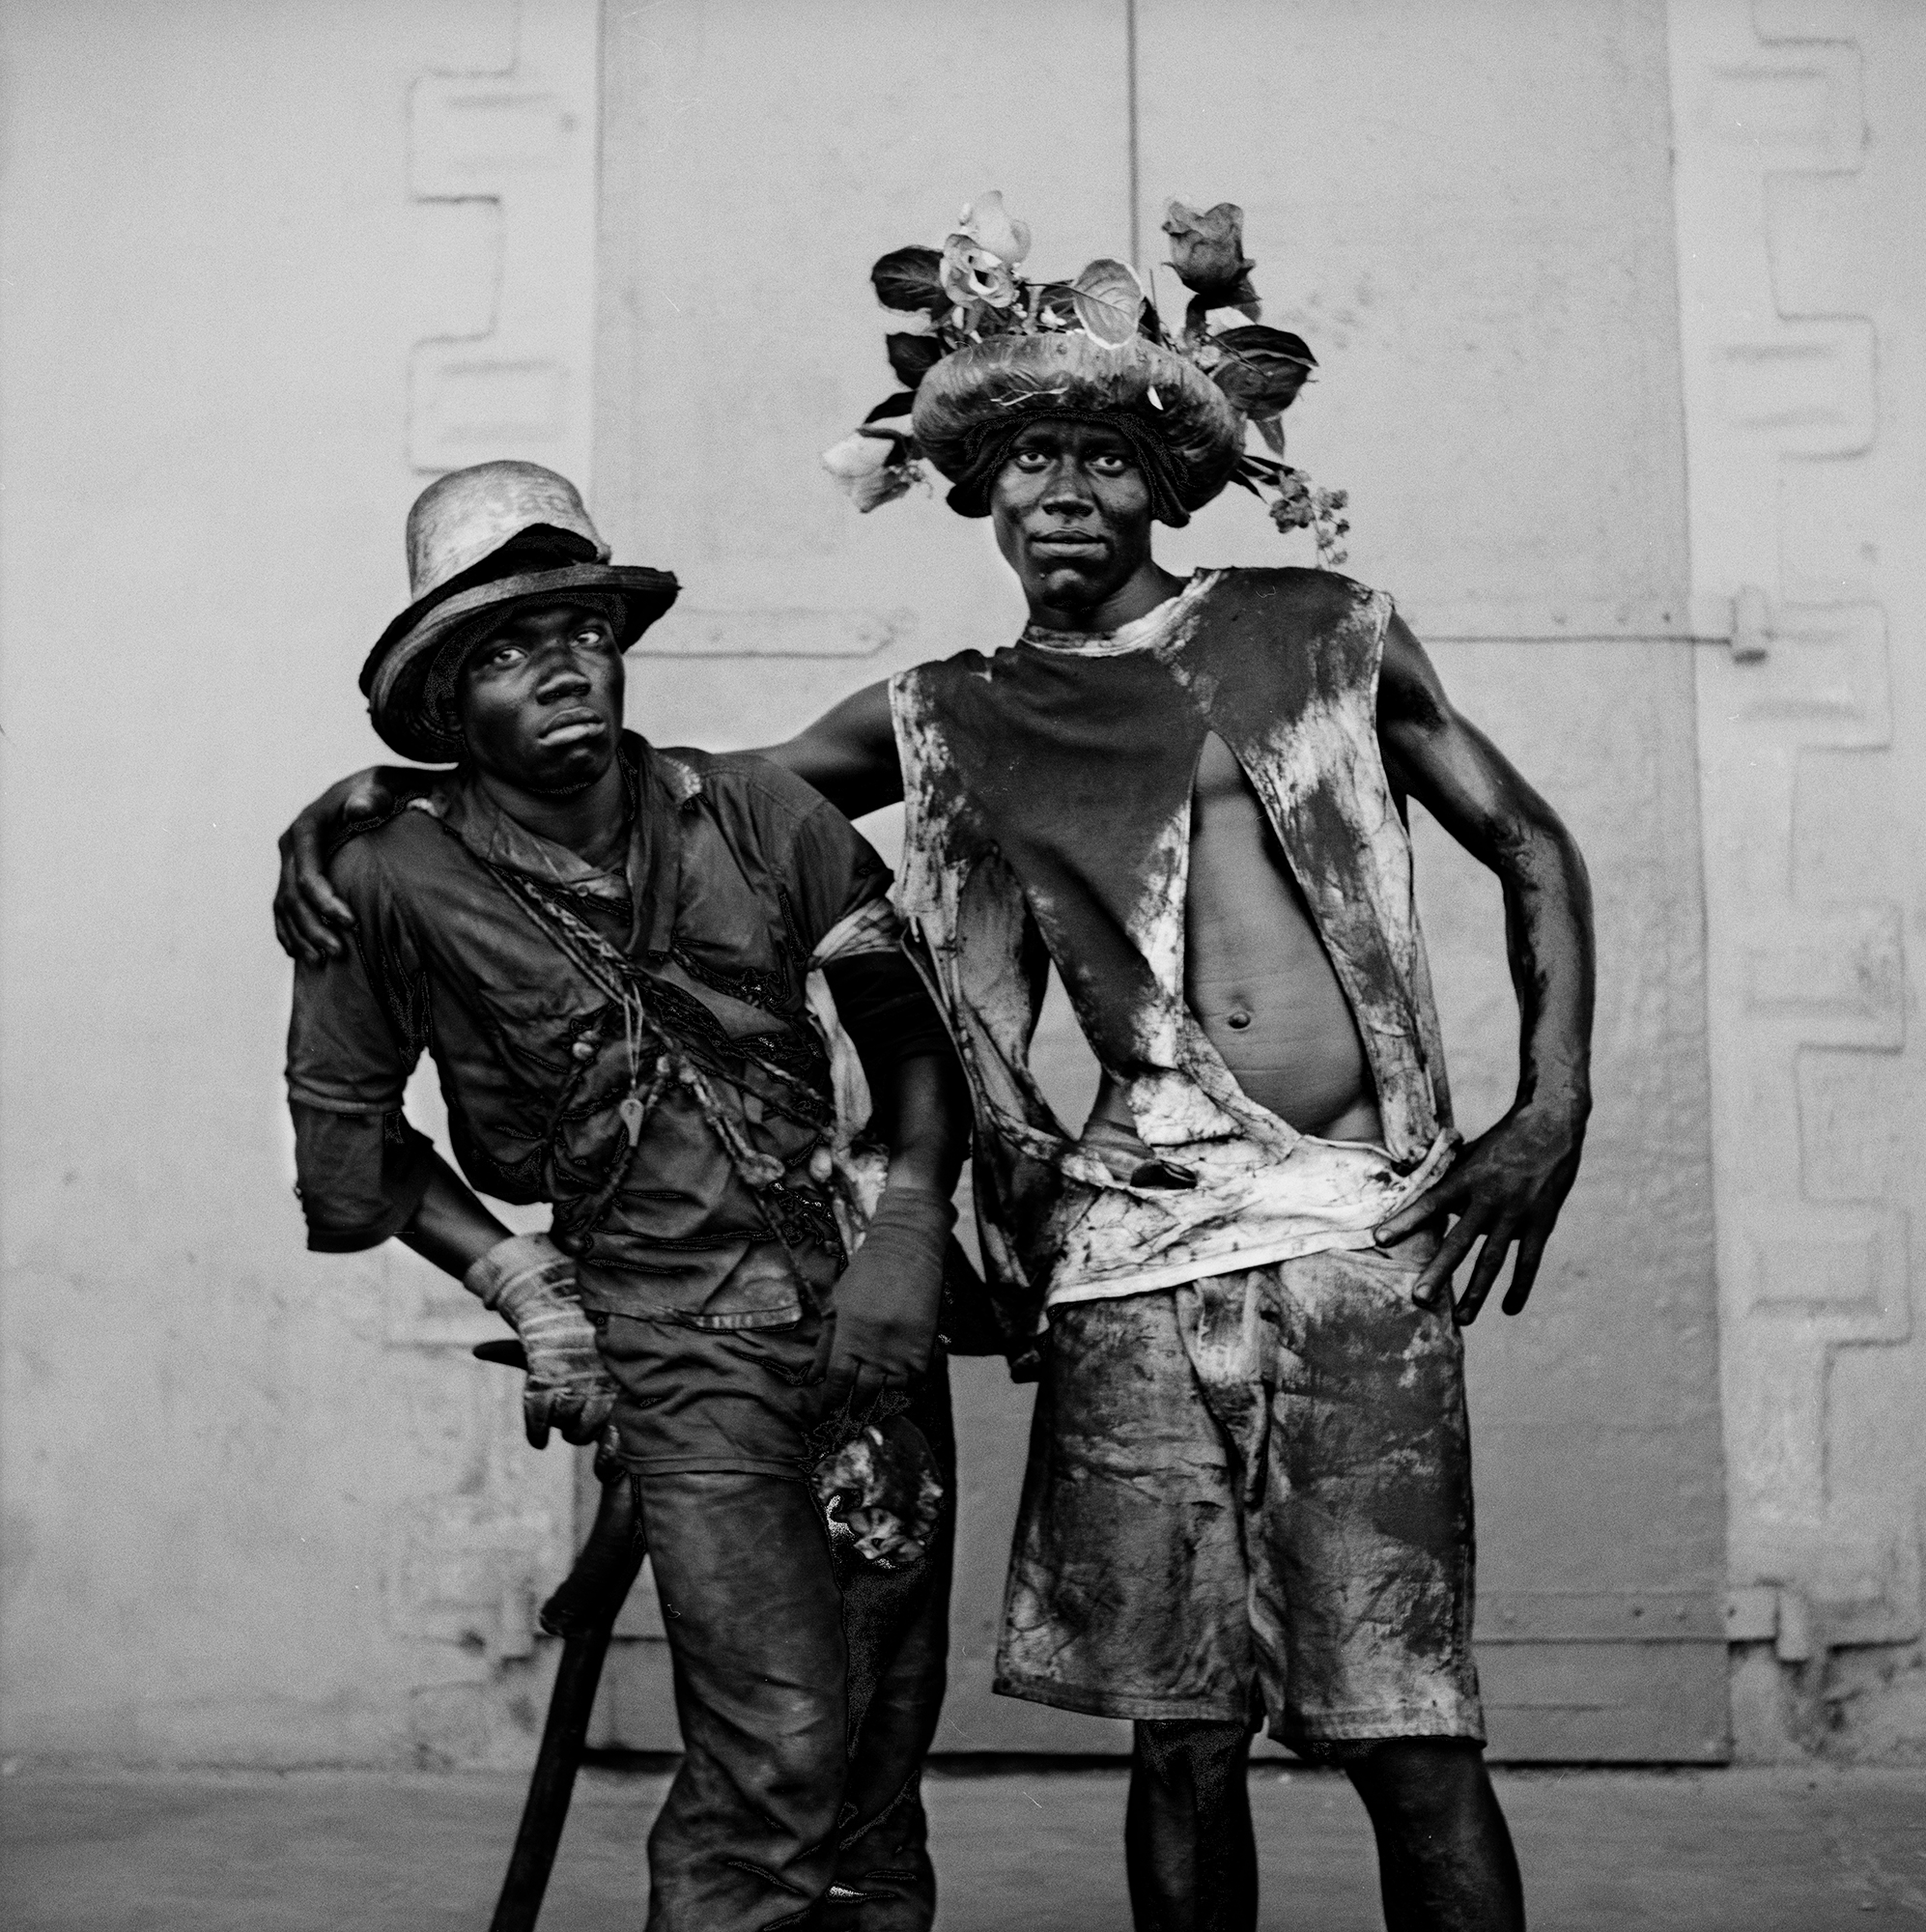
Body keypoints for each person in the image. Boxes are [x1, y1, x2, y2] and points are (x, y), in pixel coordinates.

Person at [277, 202, 1594, 1932]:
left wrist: (1551, 1106)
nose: (1063, 490)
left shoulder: (1316, 626)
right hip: (1128, 1247)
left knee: (1406, 1724)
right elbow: (643, 792)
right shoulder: (944, 712)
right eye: (1027, 456)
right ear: (974, 493)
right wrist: (386, 799)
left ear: (1162, 482)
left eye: (1102, 455)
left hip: (1349, 1226)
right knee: (1175, 1734)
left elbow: (1529, 844)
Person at [282, 459, 970, 1932]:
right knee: (779, 1746)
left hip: (869, 1334)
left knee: (873, 1770)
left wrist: (910, 1230)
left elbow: (912, 1033)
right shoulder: (384, 880)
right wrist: (520, 1282)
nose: (558, 670)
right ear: (443, 704)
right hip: (676, 1351)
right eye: (504, 651)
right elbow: (348, 1145)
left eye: (579, 630)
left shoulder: (758, 811)